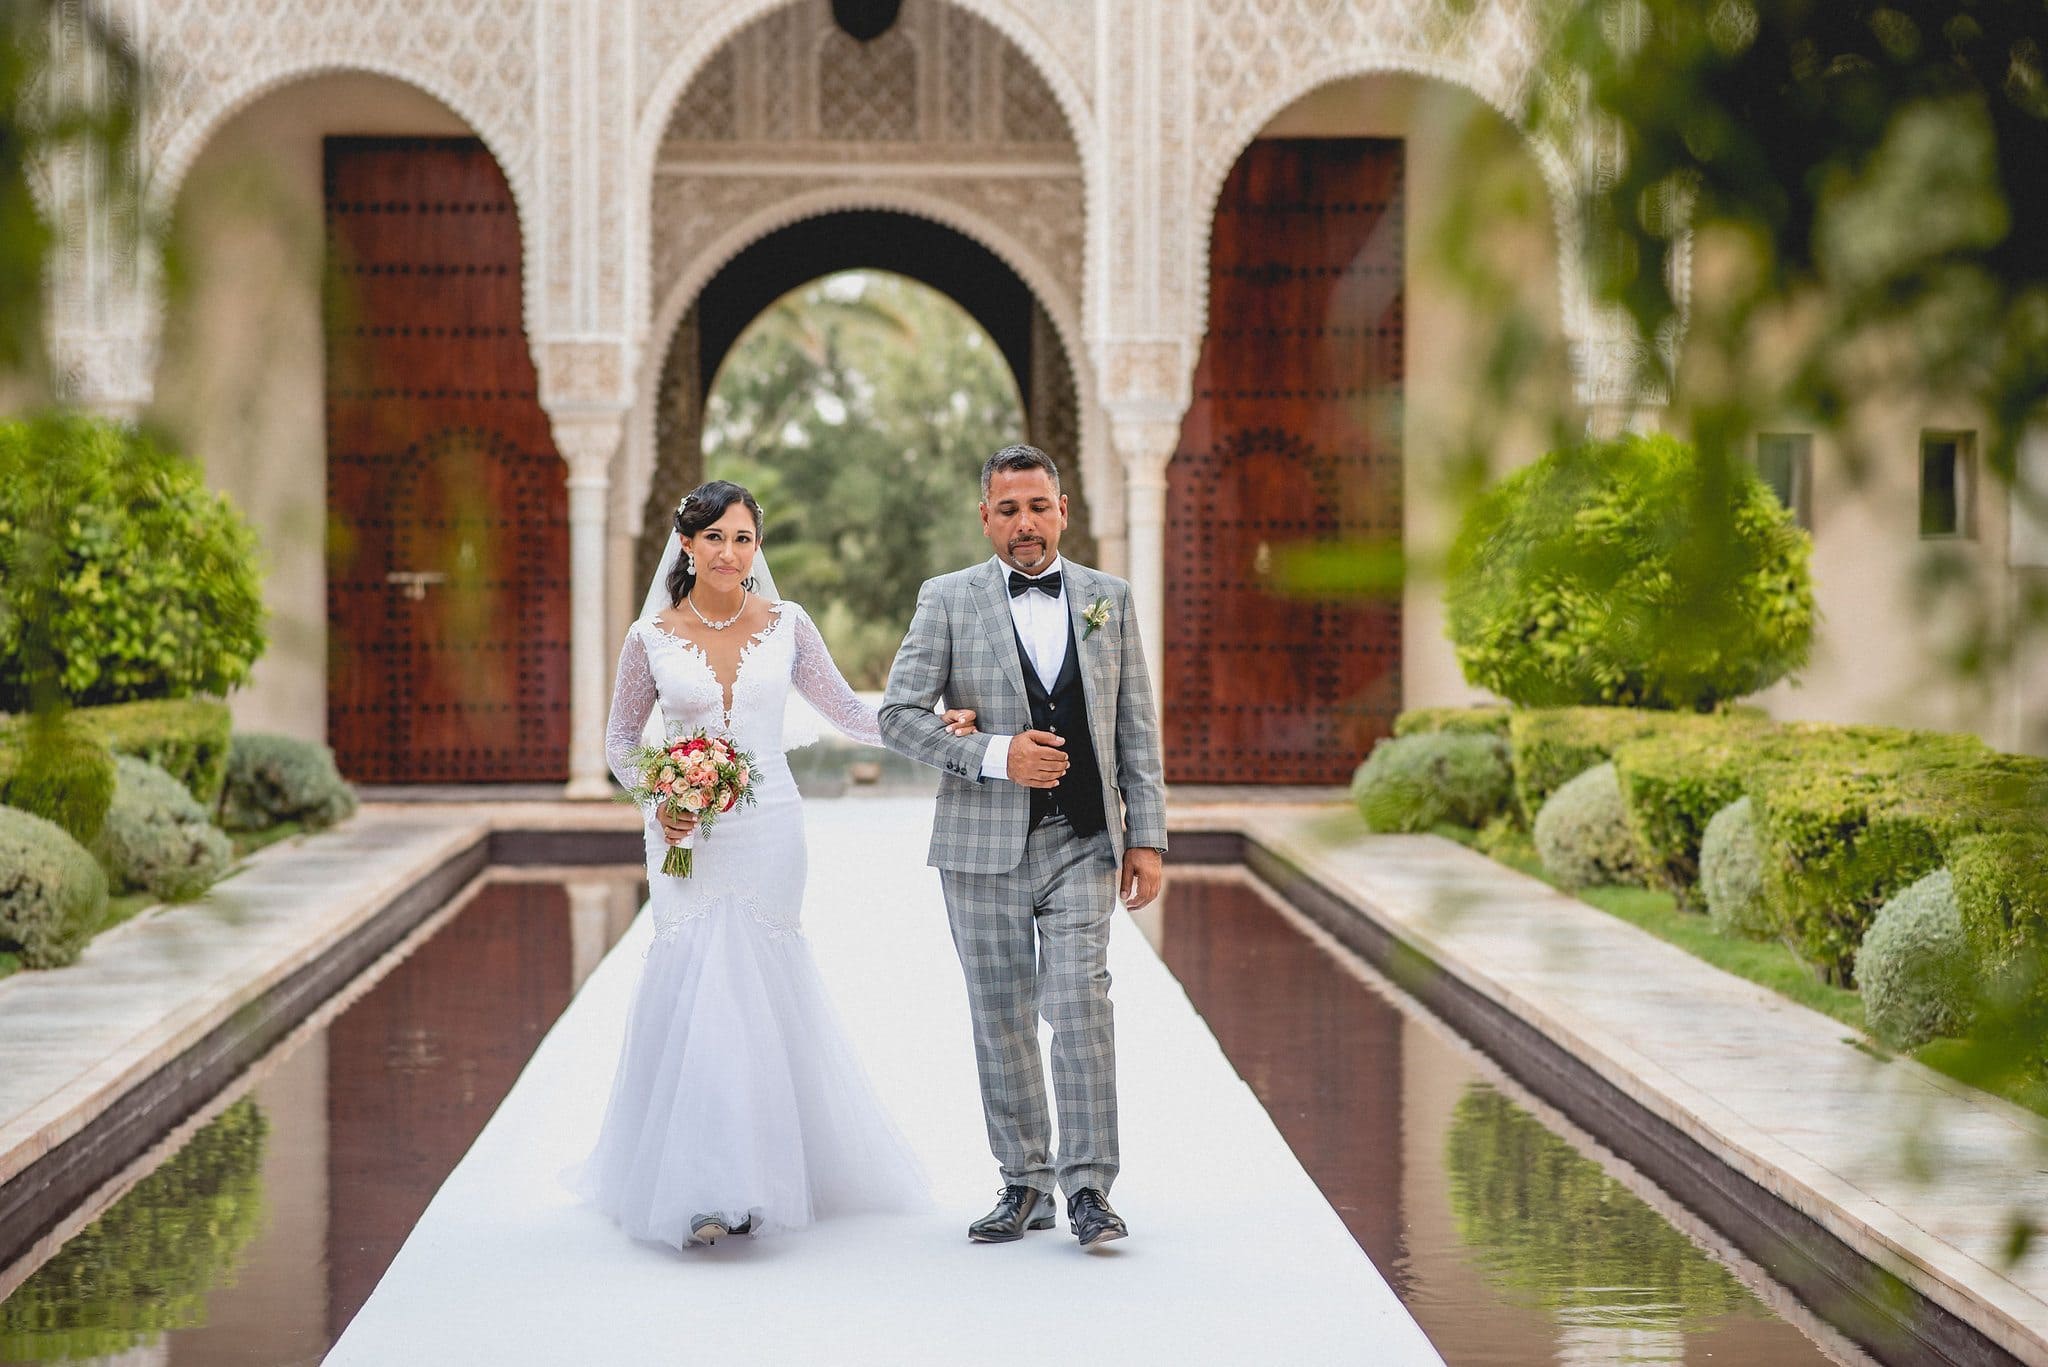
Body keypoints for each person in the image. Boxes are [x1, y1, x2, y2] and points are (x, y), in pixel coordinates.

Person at [564, 479, 979, 1249]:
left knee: (756, 978)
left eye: (744, 538)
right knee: (694, 977)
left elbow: (852, 712)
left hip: (770, 827)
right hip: (685, 833)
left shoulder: (787, 624)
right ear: (686, 544)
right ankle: (698, 1180)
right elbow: (622, 745)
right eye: (715, 536)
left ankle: (754, 1173)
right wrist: (662, 796)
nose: (730, 551)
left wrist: (933, 720)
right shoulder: (648, 637)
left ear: (758, 549)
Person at [879, 443, 1167, 1250]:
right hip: (979, 846)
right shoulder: (946, 600)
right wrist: (993, 752)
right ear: (985, 517)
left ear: (1063, 510)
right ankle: (1024, 1181)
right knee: (1001, 1015)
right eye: (1008, 509)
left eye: (1039, 507)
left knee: (1080, 1004)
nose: (1026, 523)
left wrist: (1146, 835)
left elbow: (1134, 726)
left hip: (1083, 840)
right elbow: (898, 714)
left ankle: (1089, 1188)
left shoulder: (1110, 599)